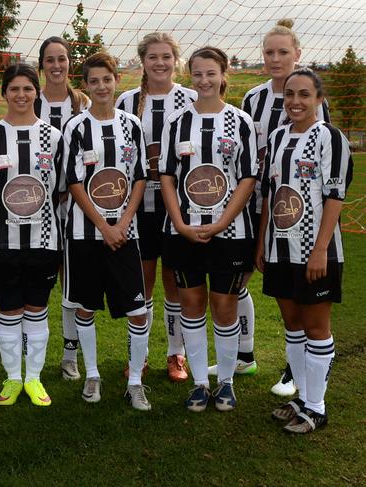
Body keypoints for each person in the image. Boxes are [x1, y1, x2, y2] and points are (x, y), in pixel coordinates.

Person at [0, 36, 89, 382]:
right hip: (10, 227)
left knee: (64, 287)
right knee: (11, 293)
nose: (57, 65)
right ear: (42, 66)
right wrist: (12, 209)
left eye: (63, 59)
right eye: (50, 60)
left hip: (65, 216)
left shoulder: (80, 107)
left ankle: (66, 356)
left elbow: (64, 184)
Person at [225, 18, 332, 396]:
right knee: (238, 280)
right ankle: (244, 355)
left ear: (297, 55)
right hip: (256, 204)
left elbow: (325, 162)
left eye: (282, 52)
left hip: (300, 215)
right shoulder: (253, 99)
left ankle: (297, 370)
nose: (275, 58)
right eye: (269, 52)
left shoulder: (312, 97)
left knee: (300, 291)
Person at [159, 47, 258, 412]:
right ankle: (200, 383)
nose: (203, 80)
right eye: (197, 73)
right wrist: (180, 223)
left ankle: (227, 382)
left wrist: (221, 222)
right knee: (192, 304)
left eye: (210, 73)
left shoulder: (240, 121)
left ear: (223, 74)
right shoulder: (177, 122)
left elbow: (248, 178)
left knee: (224, 305)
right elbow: (167, 177)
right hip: (184, 230)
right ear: (190, 75)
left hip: (229, 233)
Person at [256, 68, 352, 433]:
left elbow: (335, 196)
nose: (295, 102)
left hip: (315, 250)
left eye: (304, 95)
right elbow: (270, 195)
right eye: (290, 95)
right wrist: (263, 241)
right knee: (293, 326)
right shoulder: (279, 137)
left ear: (319, 99)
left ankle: (317, 407)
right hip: (280, 250)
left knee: (316, 328)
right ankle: (301, 396)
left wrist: (320, 249)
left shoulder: (330, 137)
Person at [0, 63, 64, 406]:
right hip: (0, 241)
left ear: (36, 92)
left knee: (37, 308)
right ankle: (12, 379)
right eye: (14, 89)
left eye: (28, 88)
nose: (21, 95)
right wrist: (7, 212)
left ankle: (34, 378)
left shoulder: (54, 137)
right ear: (4, 93)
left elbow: (62, 190)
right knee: (9, 309)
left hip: (44, 240)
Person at [63, 52, 150, 411]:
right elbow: (73, 181)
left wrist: (123, 223)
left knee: (138, 311)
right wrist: (103, 226)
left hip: (125, 234)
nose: (101, 86)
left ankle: (135, 382)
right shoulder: (76, 127)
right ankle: (93, 374)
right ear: (86, 85)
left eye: (107, 79)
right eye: (94, 81)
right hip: (87, 235)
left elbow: (141, 177)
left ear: (117, 81)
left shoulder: (132, 124)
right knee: (86, 308)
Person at [116, 32, 197, 383]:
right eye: (153, 57)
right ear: (143, 61)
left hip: (181, 205)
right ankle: (140, 355)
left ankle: (175, 354)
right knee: (143, 280)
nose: (160, 63)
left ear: (175, 60)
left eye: (166, 56)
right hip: (141, 206)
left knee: (174, 280)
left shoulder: (192, 99)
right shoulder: (128, 101)